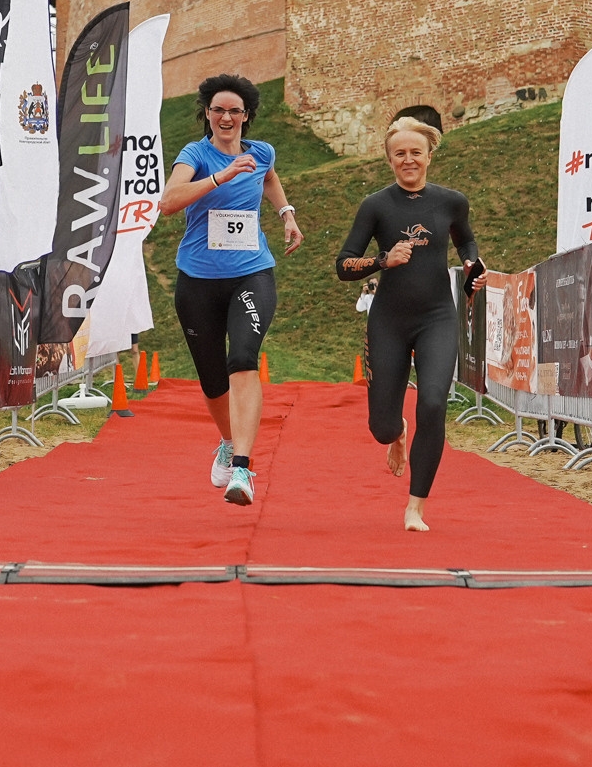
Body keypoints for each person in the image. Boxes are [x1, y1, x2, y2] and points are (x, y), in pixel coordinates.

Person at [158, 73, 302, 505]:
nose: (225, 116)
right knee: (211, 378)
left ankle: (242, 467)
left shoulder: (261, 152)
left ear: (246, 116)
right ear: (207, 113)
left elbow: (269, 178)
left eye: (234, 110)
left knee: (242, 358)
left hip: (250, 274)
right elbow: (168, 202)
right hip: (198, 280)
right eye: (218, 109)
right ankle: (227, 440)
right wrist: (220, 177)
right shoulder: (195, 154)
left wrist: (286, 213)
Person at [336, 115, 484, 531]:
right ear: (389, 159)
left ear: (429, 155)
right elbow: (343, 264)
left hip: (437, 316)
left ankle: (415, 507)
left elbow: (465, 240)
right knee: (381, 427)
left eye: (415, 152)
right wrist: (383, 260)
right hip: (389, 321)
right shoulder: (376, 206)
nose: (408, 160)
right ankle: (395, 432)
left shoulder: (452, 202)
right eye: (399, 154)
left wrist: (473, 263)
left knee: (434, 405)